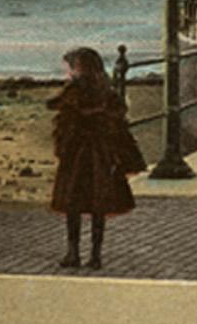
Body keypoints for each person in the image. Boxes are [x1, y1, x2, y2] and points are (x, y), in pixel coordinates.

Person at [48, 47, 141, 269]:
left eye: (70, 68)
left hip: (78, 154)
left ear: (78, 68)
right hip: (102, 155)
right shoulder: (106, 92)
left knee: (73, 205)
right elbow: (118, 121)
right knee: (98, 206)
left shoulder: (74, 91)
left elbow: (59, 111)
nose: (67, 73)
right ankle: (96, 255)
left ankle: (73, 253)